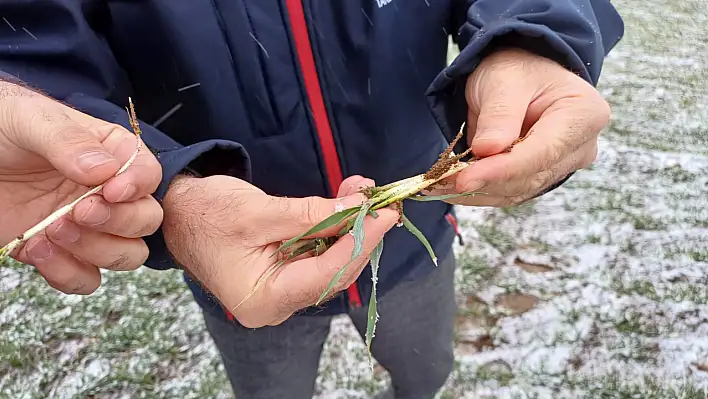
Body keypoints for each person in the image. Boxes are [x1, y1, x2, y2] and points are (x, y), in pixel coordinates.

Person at [0, 1, 624, 398]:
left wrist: (536, 38)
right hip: (235, 263)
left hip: (413, 247)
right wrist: (169, 187)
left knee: (426, 370)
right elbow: (32, 47)